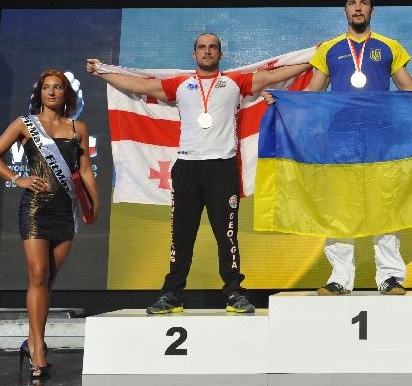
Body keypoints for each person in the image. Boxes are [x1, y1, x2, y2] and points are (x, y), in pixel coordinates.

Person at [86, 33, 309, 315]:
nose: (207, 52)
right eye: (202, 48)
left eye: (212, 47)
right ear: (194, 54)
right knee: (181, 236)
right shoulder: (180, 85)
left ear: (220, 54)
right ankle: (172, 294)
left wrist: (313, 59)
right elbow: (140, 85)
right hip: (187, 169)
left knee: (226, 236)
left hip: (222, 168)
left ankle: (234, 293)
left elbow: (273, 77)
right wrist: (103, 72)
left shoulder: (234, 83)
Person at [300, 0, 412, 296]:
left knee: (385, 206)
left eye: (363, 3)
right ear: (345, 11)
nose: (358, 8)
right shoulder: (329, 49)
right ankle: (340, 278)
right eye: (352, 3)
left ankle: (390, 277)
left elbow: (406, 84)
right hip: (341, 139)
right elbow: (313, 92)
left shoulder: (388, 46)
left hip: (381, 138)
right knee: (341, 207)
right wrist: (280, 102)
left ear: (372, 11)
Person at [0, 70, 100, 379]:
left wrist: (94, 201)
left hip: (66, 210)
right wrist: (17, 178)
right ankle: (37, 350)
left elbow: (85, 168)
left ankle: (33, 341)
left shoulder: (78, 128)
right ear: (40, 92)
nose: (51, 92)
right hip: (35, 208)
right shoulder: (25, 124)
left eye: (57, 87)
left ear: (66, 93)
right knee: (37, 275)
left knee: (47, 282)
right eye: (46, 87)